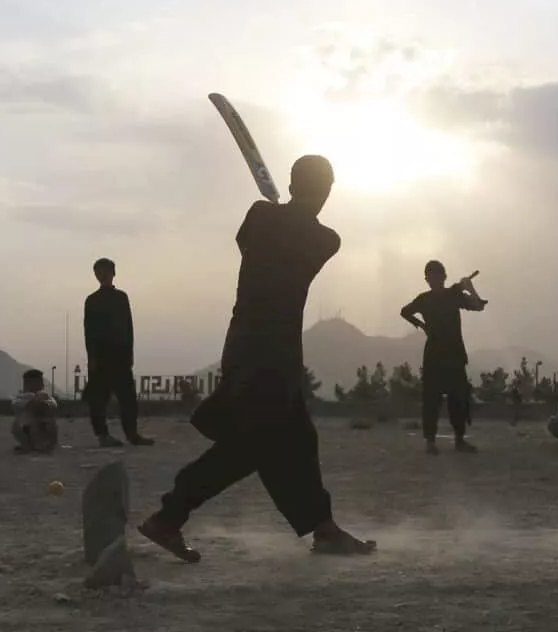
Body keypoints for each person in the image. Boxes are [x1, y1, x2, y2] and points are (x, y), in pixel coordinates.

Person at [138, 155, 375, 563]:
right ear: (326, 192)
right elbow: (278, 234)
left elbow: (253, 238)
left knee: (297, 438)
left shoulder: (277, 222)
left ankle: (323, 528)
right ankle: (169, 516)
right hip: (265, 353)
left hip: (257, 348)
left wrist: (280, 209)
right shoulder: (312, 232)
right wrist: (284, 211)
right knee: (250, 447)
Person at [400, 260, 488, 454]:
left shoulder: (452, 295)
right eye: (430, 277)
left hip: (452, 355)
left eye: (436, 276)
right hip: (437, 356)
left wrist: (470, 288)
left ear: (443, 277)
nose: (434, 280)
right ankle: (432, 442)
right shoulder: (434, 298)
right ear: (427, 279)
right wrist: (422, 326)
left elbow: (479, 306)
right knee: (432, 400)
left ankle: (458, 440)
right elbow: (404, 311)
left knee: (458, 399)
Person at [83, 258, 153, 447]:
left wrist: (130, 353)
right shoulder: (92, 301)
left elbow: (128, 327)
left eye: (106, 271)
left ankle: (132, 433)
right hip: (102, 356)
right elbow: (89, 331)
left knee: (128, 398)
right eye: (100, 271)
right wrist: (92, 358)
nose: (103, 275)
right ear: (96, 275)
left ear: (113, 273)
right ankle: (102, 435)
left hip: (120, 355)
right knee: (98, 398)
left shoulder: (121, 298)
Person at [12, 369, 58, 453]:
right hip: (26, 429)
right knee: (20, 420)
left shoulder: (46, 397)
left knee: (49, 419)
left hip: (43, 431)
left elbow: (53, 407)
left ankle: (46, 445)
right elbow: (17, 406)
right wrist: (34, 401)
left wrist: (41, 402)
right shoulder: (21, 398)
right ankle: (28, 444)